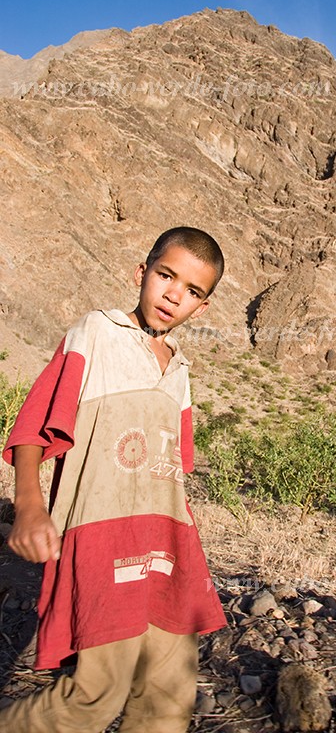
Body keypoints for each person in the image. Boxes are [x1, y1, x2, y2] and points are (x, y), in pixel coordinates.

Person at [0, 227, 227, 732]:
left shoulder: (182, 371)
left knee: (170, 697)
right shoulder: (96, 333)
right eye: (166, 276)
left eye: (193, 291)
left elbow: (172, 471)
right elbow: (34, 426)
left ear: (203, 307)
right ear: (141, 273)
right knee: (95, 694)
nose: (174, 295)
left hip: (168, 548)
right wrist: (30, 506)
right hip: (103, 537)